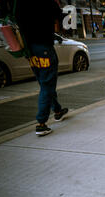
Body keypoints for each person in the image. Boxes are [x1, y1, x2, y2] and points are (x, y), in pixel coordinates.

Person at [15, 0, 68, 136]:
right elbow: (65, 23)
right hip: (44, 46)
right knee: (47, 84)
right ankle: (41, 123)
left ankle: (57, 110)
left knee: (44, 82)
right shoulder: (48, 2)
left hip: (29, 50)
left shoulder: (20, 3)